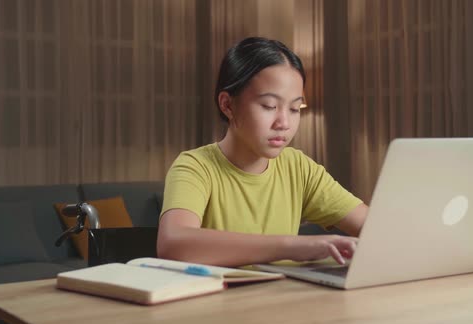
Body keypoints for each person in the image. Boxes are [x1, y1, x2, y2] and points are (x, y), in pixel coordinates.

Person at [157, 37, 368, 267]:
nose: (284, 123)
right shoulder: (195, 167)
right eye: (269, 106)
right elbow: (173, 243)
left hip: (286, 298)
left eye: (295, 108)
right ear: (227, 104)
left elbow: (375, 228)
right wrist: (292, 247)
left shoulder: (298, 167)